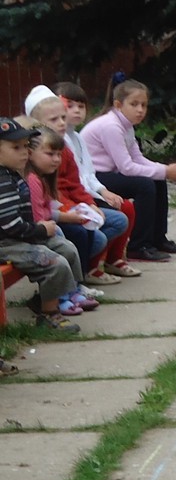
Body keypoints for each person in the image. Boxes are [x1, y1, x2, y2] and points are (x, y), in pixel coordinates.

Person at [80, 76, 176, 262]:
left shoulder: (126, 125)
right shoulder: (111, 126)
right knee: (144, 185)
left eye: (144, 105)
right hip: (93, 178)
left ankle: (157, 239)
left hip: (108, 173)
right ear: (118, 104)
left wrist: (165, 170)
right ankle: (138, 246)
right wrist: (166, 171)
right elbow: (127, 168)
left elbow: (137, 158)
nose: (140, 110)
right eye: (134, 104)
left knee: (157, 181)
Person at [27, 90, 131, 286]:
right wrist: (71, 212)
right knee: (90, 235)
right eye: (54, 119)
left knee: (119, 218)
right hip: (54, 216)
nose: (61, 123)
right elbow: (48, 200)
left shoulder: (64, 148)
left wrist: (89, 204)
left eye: (63, 118)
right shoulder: (40, 158)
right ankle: (77, 279)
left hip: (67, 208)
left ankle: (88, 269)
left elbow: (76, 183)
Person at [0, 118, 83, 332]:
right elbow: (10, 226)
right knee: (55, 263)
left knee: (67, 249)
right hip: (6, 243)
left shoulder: (12, 174)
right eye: (16, 147)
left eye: (26, 146)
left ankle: (49, 298)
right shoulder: (2, 181)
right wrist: (40, 230)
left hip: (19, 237)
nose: (24, 153)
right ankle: (49, 315)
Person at [53, 82, 139, 278]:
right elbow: (71, 183)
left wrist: (103, 191)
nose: (76, 111)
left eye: (81, 106)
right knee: (120, 212)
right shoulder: (60, 141)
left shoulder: (77, 137)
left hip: (84, 193)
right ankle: (92, 266)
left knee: (125, 206)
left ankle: (113, 259)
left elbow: (88, 174)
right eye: (70, 105)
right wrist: (89, 202)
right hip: (73, 199)